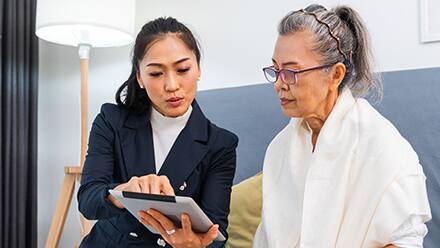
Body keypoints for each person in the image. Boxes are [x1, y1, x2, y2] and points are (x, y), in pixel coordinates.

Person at [253, 4, 431, 248]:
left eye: (291, 72)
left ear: (335, 75)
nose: (279, 84)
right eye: (276, 70)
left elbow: (404, 241)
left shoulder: (383, 147)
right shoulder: (279, 150)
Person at [78, 17, 238, 248]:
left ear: (199, 69)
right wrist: (122, 192)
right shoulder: (111, 121)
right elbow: (88, 201)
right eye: (156, 74)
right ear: (140, 78)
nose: (172, 85)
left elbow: (216, 234)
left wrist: (191, 244)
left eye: (183, 69)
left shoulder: (221, 144)